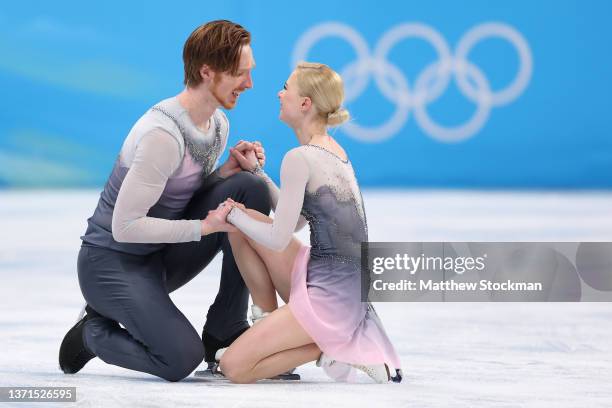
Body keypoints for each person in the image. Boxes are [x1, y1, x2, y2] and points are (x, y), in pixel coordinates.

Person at [58, 20, 271, 382]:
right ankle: (93, 333)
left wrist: (226, 173)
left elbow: (183, 192)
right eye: (239, 74)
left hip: (159, 256)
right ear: (207, 71)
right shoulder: (162, 135)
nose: (249, 84)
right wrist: (205, 227)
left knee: (250, 188)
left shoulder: (217, 124)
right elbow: (123, 227)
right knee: (179, 358)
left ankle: (225, 327)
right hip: (110, 263)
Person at [205, 62, 402, 383]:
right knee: (244, 228)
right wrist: (256, 174)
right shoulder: (329, 150)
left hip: (331, 299)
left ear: (305, 103)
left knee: (234, 367)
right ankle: (268, 328)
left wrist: (231, 213)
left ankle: (330, 347)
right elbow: (294, 221)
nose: (279, 93)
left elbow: (279, 238)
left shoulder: (300, 158)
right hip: (341, 284)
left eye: (286, 88)